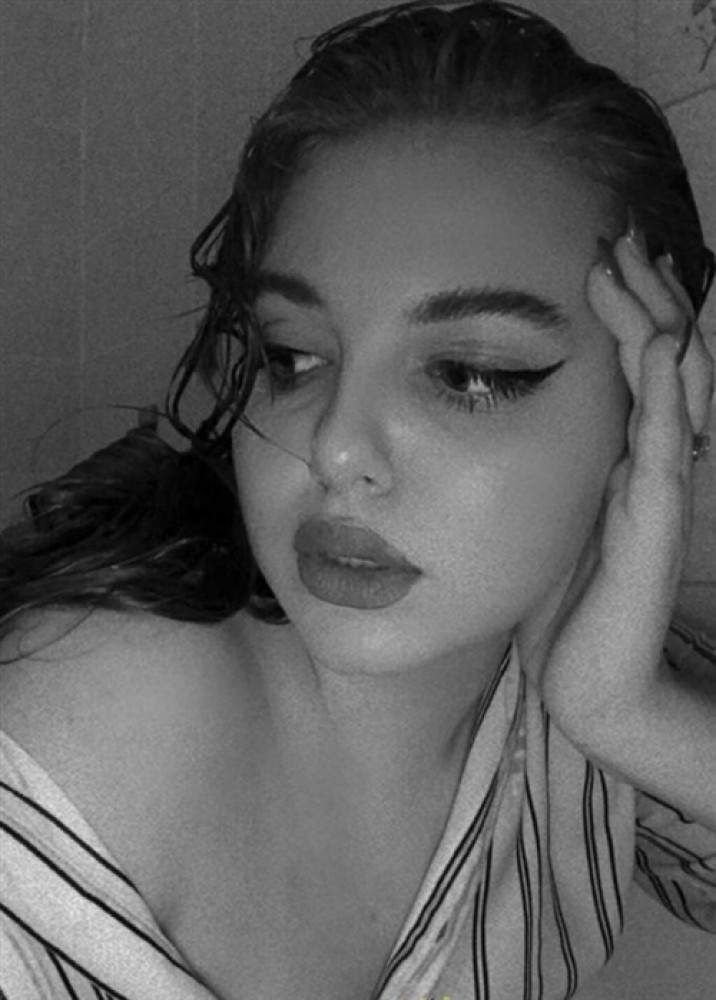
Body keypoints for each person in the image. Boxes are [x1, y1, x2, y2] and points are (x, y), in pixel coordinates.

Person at [1, 1, 715, 997]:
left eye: (468, 374)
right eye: (292, 357)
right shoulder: (86, 726)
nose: (333, 445)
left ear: (648, 407)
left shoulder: (582, 676)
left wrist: (630, 717)